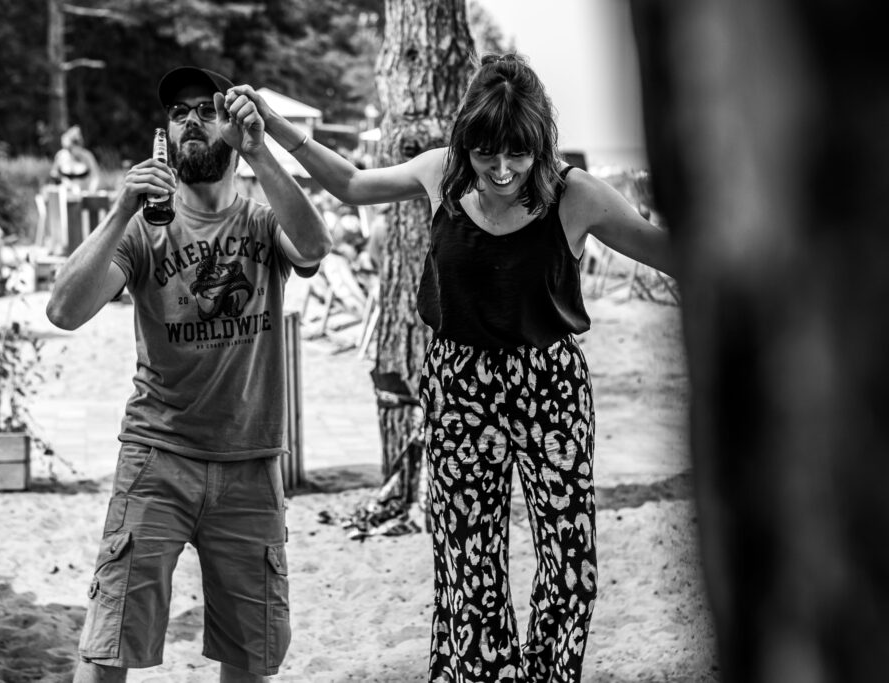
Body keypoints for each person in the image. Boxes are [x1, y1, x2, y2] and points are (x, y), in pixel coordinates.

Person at [230, 52, 673, 682]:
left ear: (540, 144)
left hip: (550, 387)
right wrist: (271, 129)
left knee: (571, 565)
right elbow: (354, 184)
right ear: (467, 142)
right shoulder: (443, 172)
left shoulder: (577, 196)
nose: (501, 169)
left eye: (517, 155)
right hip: (459, 384)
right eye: (487, 152)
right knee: (469, 562)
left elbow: (673, 255)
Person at [45, 66, 332, 682]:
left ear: (232, 126)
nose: (193, 119)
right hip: (157, 459)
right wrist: (121, 206)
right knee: (108, 645)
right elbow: (64, 310)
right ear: (166, 134)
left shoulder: (260, 220)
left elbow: (314, 246)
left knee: (249, 656)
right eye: (180, 111)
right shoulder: (144, 231)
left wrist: (263, 152)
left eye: (208, 108)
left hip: (251, 464)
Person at [50, 125, 101, 193]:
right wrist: (62, 180)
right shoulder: (61, 155)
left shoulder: (87, 156)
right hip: (65, 193)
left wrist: (91, 191)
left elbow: (95, 176)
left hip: (84, 193)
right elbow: (54, 173)